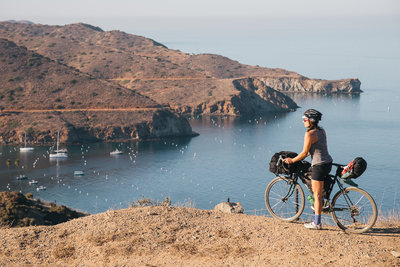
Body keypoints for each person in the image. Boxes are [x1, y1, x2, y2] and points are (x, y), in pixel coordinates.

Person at [283, 109, 332, 230]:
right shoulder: (322, 131)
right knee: (318, 191)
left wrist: (292, 160)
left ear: (311, 121)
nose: (303, 122)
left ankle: (317, 223)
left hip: (319, 165)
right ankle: (322, 206)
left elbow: (305, 153)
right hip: (327, 163)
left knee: (317, 195)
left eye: (305, 120)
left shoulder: (309, 134)